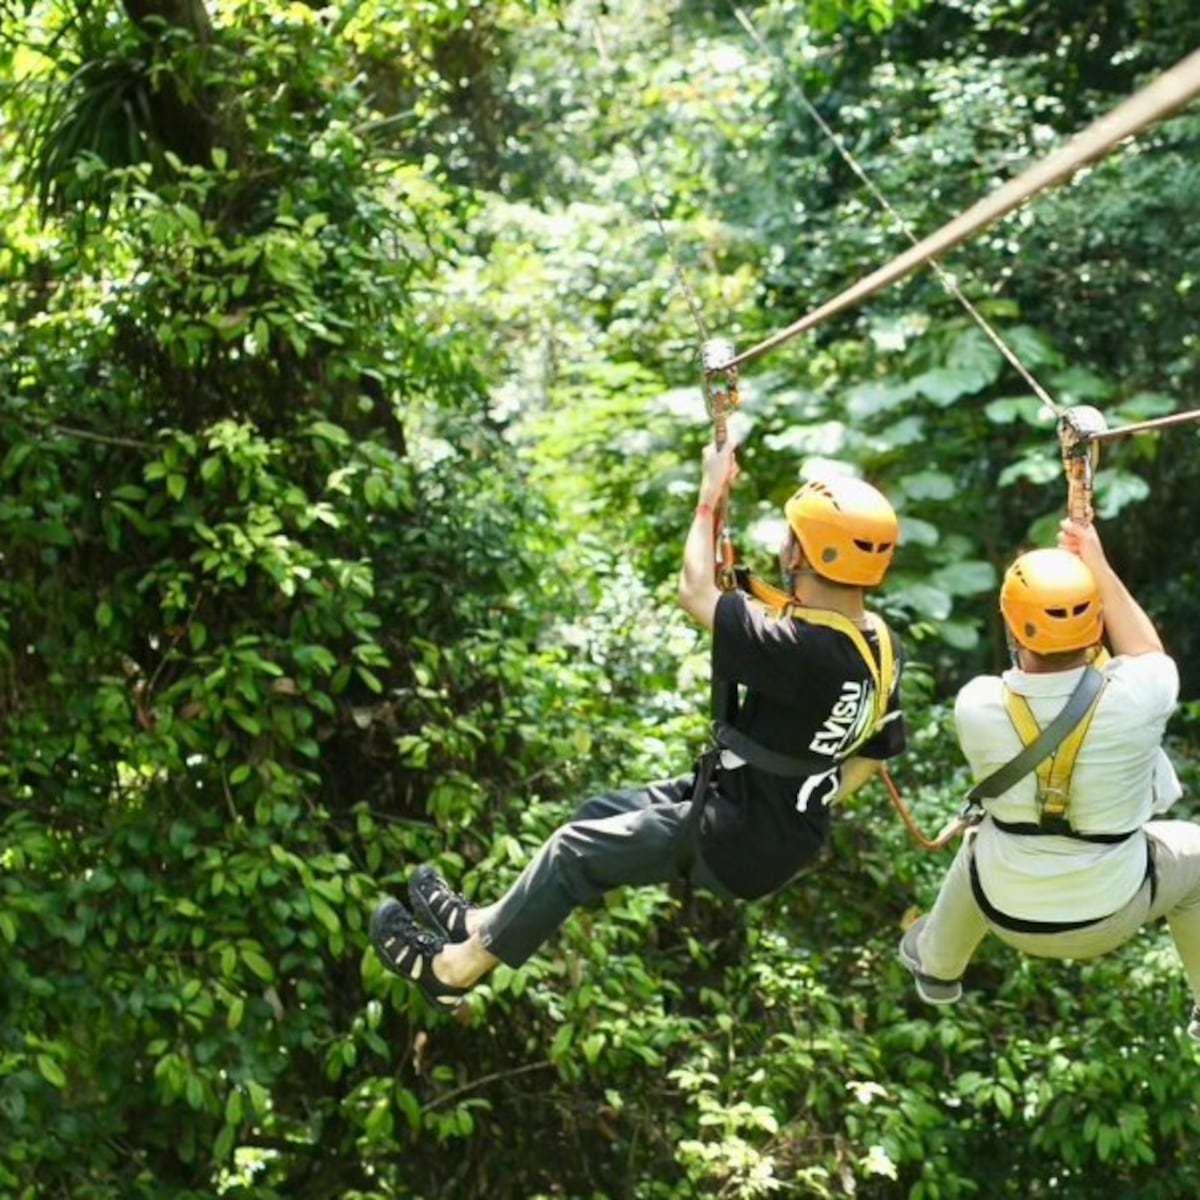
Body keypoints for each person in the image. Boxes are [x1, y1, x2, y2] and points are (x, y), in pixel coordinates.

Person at [370, 441, 907, 1011]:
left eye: (789, 534)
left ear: (806, 552)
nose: (781, 543)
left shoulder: (802, 648)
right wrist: (803, 796)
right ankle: (482, 923)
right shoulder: (875, 643)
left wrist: (708, 497)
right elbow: (870, 758)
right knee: (598, 816)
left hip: (740, 833)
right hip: (770, 821)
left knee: (575, 852)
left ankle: (453, 971)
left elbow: (694, 592)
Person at [900, 517, 1200, 1038]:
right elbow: (1146, 652)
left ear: (1014, 627)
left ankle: (938, 966)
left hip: (1005, 909)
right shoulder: (1140, 695)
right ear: (1095, 622)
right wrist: (1098, 567)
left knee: (982, 841)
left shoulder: (978, 703)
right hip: (1114, 907)